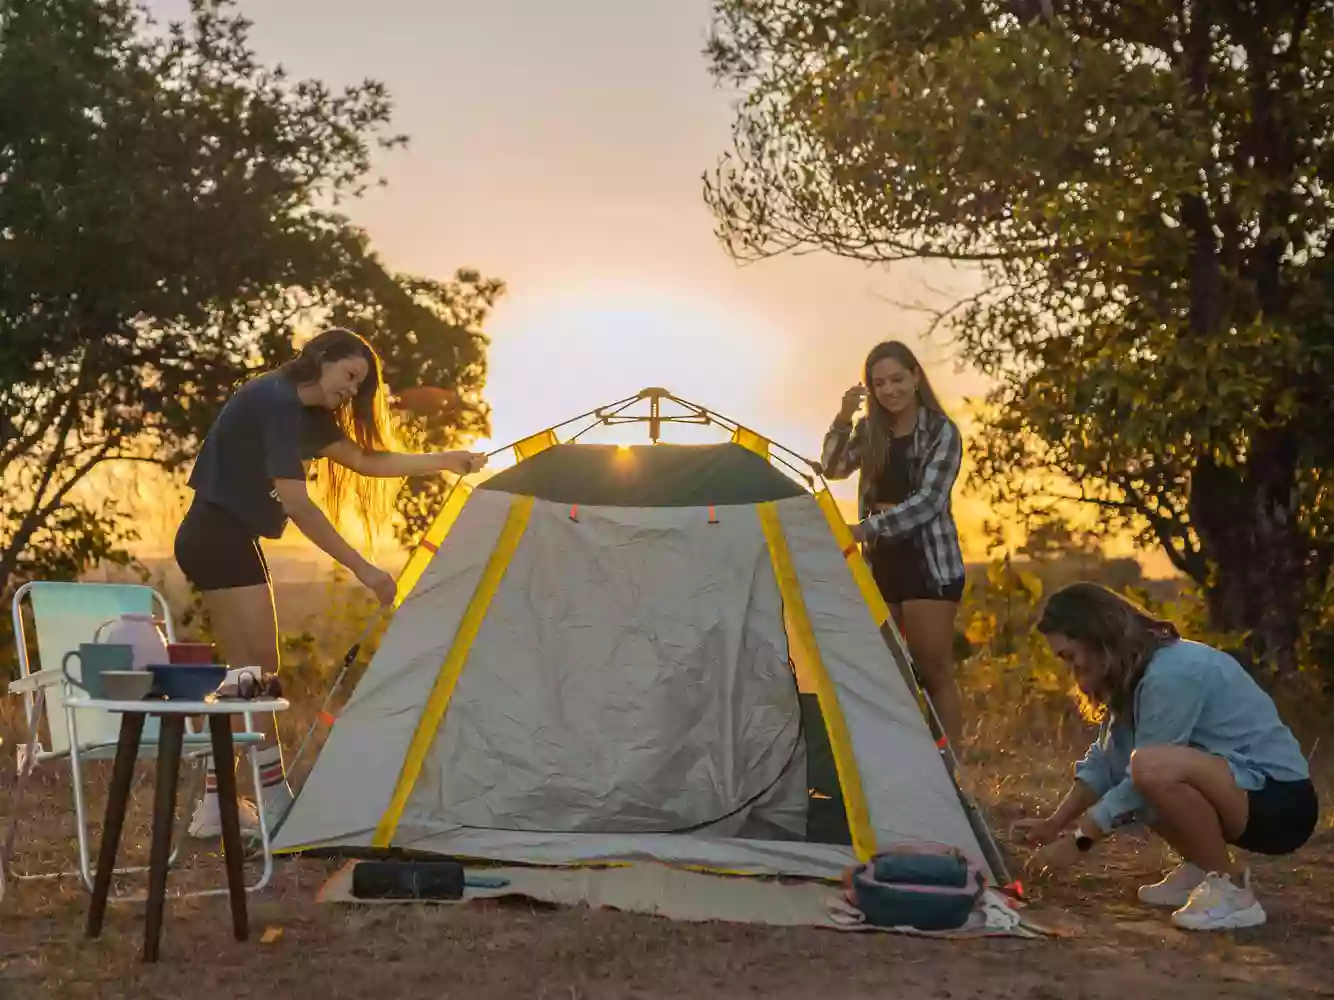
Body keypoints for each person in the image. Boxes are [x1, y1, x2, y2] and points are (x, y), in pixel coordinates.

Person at [173, 327, 487, 837]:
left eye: (360, 384)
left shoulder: (303, 413)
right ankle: (265, 799)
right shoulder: (275, 401)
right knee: (258, 675)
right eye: (349, 375)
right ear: (321, 358)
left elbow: (365, 461)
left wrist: (445, 461)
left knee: (248, 676)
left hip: (223, 537)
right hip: (216, 535)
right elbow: (296, 504)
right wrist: (365, 569)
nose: (352, 389)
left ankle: (220, 807)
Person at [1015, 583, 1319, 932]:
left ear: (1096, 636)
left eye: (1070, 656)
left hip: (1281, 803)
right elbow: (1106, 761)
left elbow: (1140, 777)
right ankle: (1201, 867)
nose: (1071, 668)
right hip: (1235, 791)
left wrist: (1079, 842)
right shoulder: (1134, 673)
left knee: (1150, 769)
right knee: (1141, 768)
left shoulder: (1172, 672)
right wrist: (1053, 825)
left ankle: (1231, 889)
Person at [821, 340, 967, 747]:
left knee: (932, 669)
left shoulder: (941, 431)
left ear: (916, 377)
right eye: (879, 383)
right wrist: (844, 416)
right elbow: (833, 468)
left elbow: (928, 502)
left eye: (897, 379)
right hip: (880, 563)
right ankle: (905, 759)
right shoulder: (870, 431)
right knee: (888, 672)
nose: (889, 390)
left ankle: (956, 771)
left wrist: (865, 528)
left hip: (929, 563)